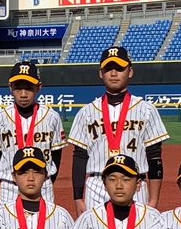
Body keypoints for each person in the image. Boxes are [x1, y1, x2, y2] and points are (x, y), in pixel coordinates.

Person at [68, 46, 168, 212]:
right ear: (101, 73)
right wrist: (78, 197)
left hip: (135, 184)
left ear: (130, 72)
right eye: (108, 68)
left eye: (119, 68)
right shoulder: (86, 112)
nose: (113, 73)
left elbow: (154, 155)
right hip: (97, 186)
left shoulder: (146, 110)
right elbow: (80, 156)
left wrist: (153, 199)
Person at [0, 60, 66, 205]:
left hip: (43, 186)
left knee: (45, 220)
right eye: (18, 88)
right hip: (9, 186)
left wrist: (45, 180)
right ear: (10, 87)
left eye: (28, 88)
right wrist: (10, 178)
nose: (23, 94)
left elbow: (56, 154)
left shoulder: (52, 117)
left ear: (38, 87)